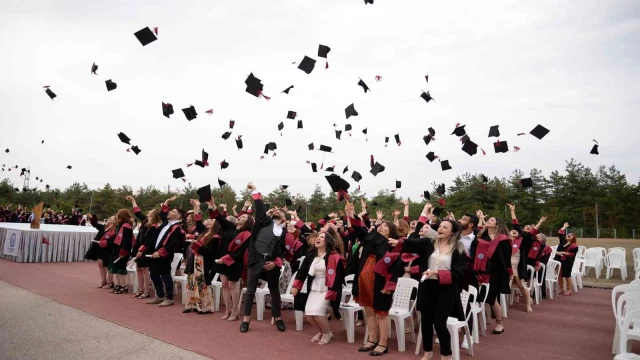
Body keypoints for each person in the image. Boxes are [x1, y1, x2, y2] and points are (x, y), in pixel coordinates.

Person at [389, 219, 467, 360]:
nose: (441, 229)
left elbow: (460, 274)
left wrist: (437, 273)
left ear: (453, 232)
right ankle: (428, 352)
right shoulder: (429, 243)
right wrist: (398, 242)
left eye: (445, 227)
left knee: (439, 322)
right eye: (440, 226)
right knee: (425, 321)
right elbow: (411, 243)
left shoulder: (458, 249)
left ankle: (446, 354)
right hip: (427, 287)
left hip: (447, 289)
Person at [348, 202, 401, 356]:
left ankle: (383, 343)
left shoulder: (393, 245)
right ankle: (371, 340)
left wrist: (389, 285)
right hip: (364, 279)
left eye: (385, 226)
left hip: (380, 282)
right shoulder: (371, 238)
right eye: (380, 225)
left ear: (391, 231)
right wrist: (351, 214)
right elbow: (359, 229)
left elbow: (395, 268)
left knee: (381, 312)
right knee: (369, 311)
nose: (381, 227)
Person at [240, 183, 287, 333]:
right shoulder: (263, 221)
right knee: (250, 291)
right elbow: (259, 205)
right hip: (256, 261)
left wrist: (275, 263)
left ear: (285, 218)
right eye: (276, 211)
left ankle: (277, 317)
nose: (278, 212)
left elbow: (281, 251)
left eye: (281, 212)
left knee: (274, 291)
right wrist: (254, 189)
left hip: (271, 264)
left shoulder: (283, 232)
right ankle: (246, 319)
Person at [292, 232, 346, 345]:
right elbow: (302, 271)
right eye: (318, 237)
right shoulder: (311, 255)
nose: (318, 238)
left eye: (322, 237)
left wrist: (333, 292)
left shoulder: (334, 256)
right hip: (314, 287)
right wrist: (296, 286)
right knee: (309, 314)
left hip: (328, 288)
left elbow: (338, 277)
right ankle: (321, 331)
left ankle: (327, 333)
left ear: (327, 241)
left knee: (318, 313)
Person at [210, 197, 254, 320]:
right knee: (224, 284)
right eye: (240, 216)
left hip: (234, 261)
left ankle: (235, 310)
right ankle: (228, 309)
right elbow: (219, 217)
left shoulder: (247, 234)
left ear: (248, 222)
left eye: (244, 217)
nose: (240, 217)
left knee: (233, 286)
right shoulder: (229, 227)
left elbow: (240, 251)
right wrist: (212, 204)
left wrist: (226, 258)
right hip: (221, 259)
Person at [143, 195, 185, 307]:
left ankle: (169, 298)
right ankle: (160, 296)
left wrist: (160, 252)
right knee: (154, 274)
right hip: (156, 252)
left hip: (165, 254)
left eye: (173, 211)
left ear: (178, 216)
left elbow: (173, 244)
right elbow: (162, 213)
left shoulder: (177, 228)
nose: (170, 212)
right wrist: (167, 202)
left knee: (165, 275)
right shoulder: (167, 223)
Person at [476, 211, 511, 334]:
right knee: (478, 295)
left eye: (491, 220)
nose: (488, 221)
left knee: (492, 297)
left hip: (496, 271)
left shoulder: (503, 240)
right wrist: (480, 218)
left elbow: (507, 258)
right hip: (482, 270)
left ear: (497, 225)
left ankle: (500, 323)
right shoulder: (482, 237)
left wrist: (508, 273)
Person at [183, 199, 221, 314]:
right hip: (195, 260)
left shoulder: (216, 237)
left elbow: (209, 252)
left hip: (205, 262)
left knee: (201, 283)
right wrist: (196, 207)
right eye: (208, 220)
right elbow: (198, 221)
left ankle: (204, 306)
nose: (209, 221)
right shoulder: (203, 232)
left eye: (212, 220)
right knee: (192, 281)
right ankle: (192, 304)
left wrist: (197, 244)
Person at [127, 196, 161, 299]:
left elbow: (149, 240)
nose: (148, 212)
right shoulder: (145, 221)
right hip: (139, 246)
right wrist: (133, 200)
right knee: (138, 269)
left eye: (151, 211)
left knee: (145, 270)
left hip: (147, 249)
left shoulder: (154, 226)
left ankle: (147, 291)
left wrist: (141, 250)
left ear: (154, 215)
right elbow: (137, 212)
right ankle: (140, 290)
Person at [108, 209, 136, 294]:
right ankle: (119, 285)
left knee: (121, 269)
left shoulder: (126, 226)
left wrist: (123, 252)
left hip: (123, 250)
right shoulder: (120, 225)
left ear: (122, 216)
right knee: (116, 268)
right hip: (117, 249)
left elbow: (126, 241)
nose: (116, 215)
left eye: (117, 214)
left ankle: (124, 286)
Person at [86, 214, 116, 289]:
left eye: (112, 218)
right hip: (100, 247)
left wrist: (104, 243)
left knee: (107, 266)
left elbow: (114, 241)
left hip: (108, 249)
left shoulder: (115, 230)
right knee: (100, 265)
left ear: (115, 221)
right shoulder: (104, 227)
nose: (110, 218)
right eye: (110, 217)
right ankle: (103, 281)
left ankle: (110, 282)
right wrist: (91, 218)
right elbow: (95, 224)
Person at [555, 222, 578, 296]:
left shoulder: (574, 246)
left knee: (567, 275)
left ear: (573, 238)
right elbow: (560, 234)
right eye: (569, 234)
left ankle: (569, 289)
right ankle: (561, 287)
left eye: (571, 235)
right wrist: (564, 227)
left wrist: (563, 252)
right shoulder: (563, 241)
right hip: (558, 259)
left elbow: (572, 254)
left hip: (567, 261)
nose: (569, 235)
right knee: (559, 274)